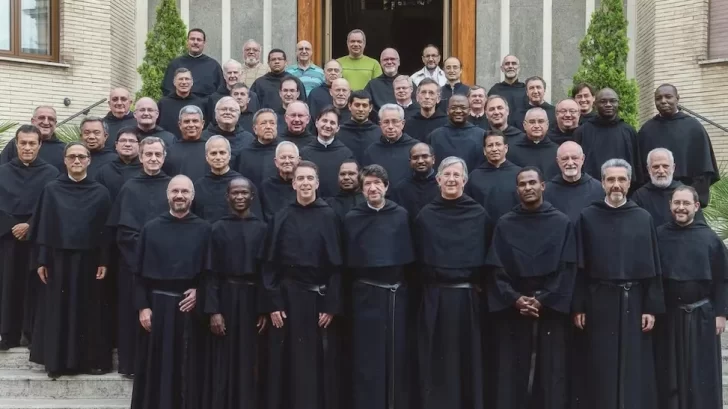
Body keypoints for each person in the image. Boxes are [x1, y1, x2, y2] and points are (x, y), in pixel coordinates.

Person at [571, 158, 663, 409]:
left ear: (629, 183)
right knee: (600, 363)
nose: (616, 185)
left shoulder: (642, 217)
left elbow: (653, 266)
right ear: (602, 183)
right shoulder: (587, 217)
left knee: (633, 364)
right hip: (598, 300)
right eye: (610, 179)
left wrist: (650, 307)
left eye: (621, 179)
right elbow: (579, 266)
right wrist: (579, 305)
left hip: (634, 300)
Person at [486, 166, 576, 409]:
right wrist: (515, 299)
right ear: (517, 190)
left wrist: (544, 299)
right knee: (513, 374)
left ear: (543, 186)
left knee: (551, 374)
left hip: (550, 311)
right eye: (523, 184)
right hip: (514, 310)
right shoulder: (505, 224)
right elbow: (496, 269)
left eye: (532, 183)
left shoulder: (561, 222)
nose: (528, 188)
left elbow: (567, 268)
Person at [263, 161, 343, 409]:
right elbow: (269, 264)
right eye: (301, 179)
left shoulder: (329, 216)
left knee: (318, 362)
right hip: (287, 301)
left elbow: (337, 266)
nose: (305, 183)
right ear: (293, 183)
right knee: (287, 363)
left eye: (310, 178)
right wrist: (274, 303)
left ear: (317, 183)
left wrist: (331, 305)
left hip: (319, 301)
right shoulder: (281, 216)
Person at [28, 142, 113, 378]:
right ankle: (56, 362)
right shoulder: (51, 189)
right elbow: (43, 227)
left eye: (81, 157)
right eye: (72, 156)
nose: (77, 161)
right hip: (58, 261)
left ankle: (88, 362)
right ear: (64, 160)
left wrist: (104, 260)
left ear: (89, 160)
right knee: (58, 310)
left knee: (89, 310)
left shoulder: (101, 192)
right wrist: (41, 260)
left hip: (89, 261)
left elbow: (106, 232)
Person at [415, 156, 491, 409]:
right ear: (437, 180)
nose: (451, 179)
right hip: (434, 299)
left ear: (465, 180)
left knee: (468, 362)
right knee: (437, 363)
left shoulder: (479, 214)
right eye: (446, 175)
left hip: (468, 300)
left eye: (456, 175)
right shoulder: (425, 216)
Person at [131, 175, 211, 409]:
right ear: (167, 195)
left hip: (190, 309)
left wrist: (199, 291)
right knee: (158, 367)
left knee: (189, 367)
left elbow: (211, 272)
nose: (179, 196)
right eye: (175, 191)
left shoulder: (205, 229)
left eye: (185, 192)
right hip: (158, 308)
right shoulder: (151, 228)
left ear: (192, 196)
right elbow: (138, 273)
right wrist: (143, 307)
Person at [344, 164, 416, 409]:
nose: (373, 188)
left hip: (396, 296)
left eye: (377, 183)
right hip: (365, 297)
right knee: (367, 358)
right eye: (367, 184)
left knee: (397, 356)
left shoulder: (401, 215)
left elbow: (409, 261)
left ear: (386, 187)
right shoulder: (352, 218)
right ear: (362, 189)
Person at [654, 185, 728, 409]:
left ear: (696, 206)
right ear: (670, 206)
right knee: (669, 374)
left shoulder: (710, 239)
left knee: (700, 373)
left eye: (686, 203)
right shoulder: (659, 235)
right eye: (677, 203)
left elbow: (723, 279)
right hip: (668, 317)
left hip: (702, 317)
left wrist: (721, 314)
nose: (681, 207)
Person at [106, 137, 171, 377]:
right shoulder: (129, 187)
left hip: (166, 267)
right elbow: (123, 232)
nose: (153, 158)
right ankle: (132, 366)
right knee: (132, 315)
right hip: (134, 264)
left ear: (164, 157)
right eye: (148, 154)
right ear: (141, 157)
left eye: (157, 154)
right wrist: (144, 257)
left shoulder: (172, 186)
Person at [202, 177, 268, 409]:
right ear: (227, 197)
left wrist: (264, 309)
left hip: (252, 300)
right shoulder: (217, 228)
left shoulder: (262, 229)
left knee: (253, 358)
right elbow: (210, 273)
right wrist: (214, 311)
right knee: (224, 359)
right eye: (235, 193)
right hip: (226, 298)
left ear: (252, 197)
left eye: (244, 193)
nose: (240, 197)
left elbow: (266, 273)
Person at [0, 125, 59, 350]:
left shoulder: (51, 174)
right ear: (16, 144)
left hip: (36, 240)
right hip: (7, 239)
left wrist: (30, 225)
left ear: (40, 145)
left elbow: (52, 207)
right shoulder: (2, 172)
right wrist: (12, 226)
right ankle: (7, 334)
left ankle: (32, 335)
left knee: (34, 287)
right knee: (7, 285)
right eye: (23, 143)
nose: (27, 147)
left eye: (32, 143)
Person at [637, 84, 719, 207]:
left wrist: (690, 197)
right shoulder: (647, 130)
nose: (663, 101)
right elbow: (640, 170)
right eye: (658, 98)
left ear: (677, 98)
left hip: (685, 199)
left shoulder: (694, 128)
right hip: (652, 199)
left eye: (668, 97)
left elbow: (704, 170)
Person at [573, 88, 642, 185]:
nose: (608, 104)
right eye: (603, 101)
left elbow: (637, 166)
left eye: (613, 101)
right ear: (595, 104)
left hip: (622, 188)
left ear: (618, 103)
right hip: (590, 188)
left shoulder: (629, 131)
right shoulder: (582, 132)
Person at [193, 135, 257, 223]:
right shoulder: (198, 187)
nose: (218, 157)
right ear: (206, 157)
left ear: (229, 155)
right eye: (213, 153)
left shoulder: (244, 185)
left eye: (222, 153)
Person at [465, 130, 521, 221]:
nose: (494, 149)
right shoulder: (474, 177)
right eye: (490, 145)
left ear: (506, 148)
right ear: (484, 150)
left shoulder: (519, 175)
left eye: (498, 144)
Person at [632, 148, 694, 228]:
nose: (661, 171)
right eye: (656, 167)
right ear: (649, 169)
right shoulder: (639, 196)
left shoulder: (687, 194)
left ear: (673, 168)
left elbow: (697, 226)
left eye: (665, 166)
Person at [544, 141, 603, 222]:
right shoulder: (547, 191)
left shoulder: (599, 189)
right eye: (565, 159)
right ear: (558, 161)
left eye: (574, 158)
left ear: (582, 159)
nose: (570, 163)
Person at [301, 107, 354, 198]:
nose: (328, 125)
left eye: (332, 123)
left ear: (337, 128)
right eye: (324, 121)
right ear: (316, 123)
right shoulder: (304, 153)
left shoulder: (346, 154)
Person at [362, 104, 419, 187]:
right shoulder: (371, 151)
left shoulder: (416, 148)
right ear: (380, 124)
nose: (390, 126)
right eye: (386, 122)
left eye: (395, 121)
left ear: (403, 123)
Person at [426, 95, 484, 172]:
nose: (458, 111)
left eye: (463, 108)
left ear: (469, 111)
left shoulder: (481, 135)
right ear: (447, 111)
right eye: (454, 108)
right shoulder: (434, 136)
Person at [0, 106, 66, 171]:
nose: (46, 122)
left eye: (51, 119)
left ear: (55, 123)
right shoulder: (17, 143)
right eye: (41, 118)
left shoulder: (64, 149)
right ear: (33, 121)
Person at [162, 28, 224, 97]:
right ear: (187, 41)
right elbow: (168, 89)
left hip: (206, 103)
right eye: (192, 39)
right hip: (180, 102)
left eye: (199, 40)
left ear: (204, 43)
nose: (195, 42)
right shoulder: (175, 64)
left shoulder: (214, 66)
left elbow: (220, 91)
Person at [506, 108, 559, 179]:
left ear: (547, 125)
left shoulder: (557, 152)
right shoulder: (512, 151)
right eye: (532, 122)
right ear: (524, 125)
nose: (536, 126)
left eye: (540, 121)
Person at [391, 142, 439, 221]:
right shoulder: (400, 189)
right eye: (415, 157)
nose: (420, 161)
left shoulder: (443, 186)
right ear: (410, 161)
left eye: (425, 156)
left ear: (433, 159)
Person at [234, 109, 280, 189]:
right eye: (263, 123)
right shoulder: (244, 155)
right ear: (255, 129)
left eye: (272, 123)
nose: (268, 127)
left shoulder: (285, 151)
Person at [158, 68, 208, 140]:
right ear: (174, 82)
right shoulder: (163, 103)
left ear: (192, 82)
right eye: (180, 79)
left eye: (187, 79)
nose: (184, 82)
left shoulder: (201, 103)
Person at [162, 105, 209, 182]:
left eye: (195, 121)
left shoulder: (210, 150)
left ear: (202, 124)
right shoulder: (169, 152)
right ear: (180, 125)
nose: (191, 125)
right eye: (187, 121)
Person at [95, 127, 142, 202]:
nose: (127, 144)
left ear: (139, 145)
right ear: (116, 145)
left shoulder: (146, 170)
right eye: (123, 140)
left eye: (132, 141)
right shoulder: (105, 171)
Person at [260, 141, 299, 222]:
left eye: (291, 157)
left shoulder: (303, 185)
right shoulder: (266, 186)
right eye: (283, 157)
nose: (287, 161)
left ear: (298, 160)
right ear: (276, 162)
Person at [336, 91, 380, 163]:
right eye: (357, 105)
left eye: (364, 105)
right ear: (349, 106)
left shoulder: (379, 133)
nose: (360, 109)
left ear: (370, 108)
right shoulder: (338, 132)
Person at [364, 48, 400, 112]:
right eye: (386, 59)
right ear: (381, 63)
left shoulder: (407, 83)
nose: (389, 62)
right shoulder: (372, 85)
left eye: (392, 59)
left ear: (398, 62)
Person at [103, 87, 136, 151]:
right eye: (115, 99)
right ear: (109, 104)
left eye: (123, 99)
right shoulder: (101, 125)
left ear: (130, 103)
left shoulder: (139, 123)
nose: (119, 103)